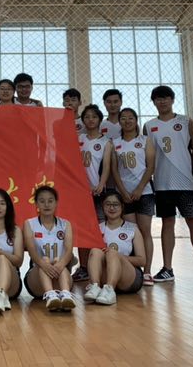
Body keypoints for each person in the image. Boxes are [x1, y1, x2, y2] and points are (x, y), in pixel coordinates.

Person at [144, 86, 193, 286]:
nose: (162, 101)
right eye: (158, 99)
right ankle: (167, 268)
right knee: (167, 223)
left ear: (172, 100)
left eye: (166, 98)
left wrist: (190, 171)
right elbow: (148, 155)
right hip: (162, 183)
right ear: (154, 102)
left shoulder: (185, 121)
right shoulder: (149, 126)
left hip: (184, 182)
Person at [111, 107, 155, 285]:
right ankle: (133, 270)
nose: (127, 121)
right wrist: (123, 192)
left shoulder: (145, 140)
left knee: (145, 232)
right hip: (125, 195)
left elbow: (150, 167)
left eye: (130, 118)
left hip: (145, 193)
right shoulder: (115, 143)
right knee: (130, 233)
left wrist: (139, 188)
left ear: (136, 120)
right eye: (123, 118)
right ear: (119, 121)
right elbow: (114, 170)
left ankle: (148, 271)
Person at [72, 104, 111, 282]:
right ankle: (83, 266)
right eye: (87, 117)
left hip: (98, 191)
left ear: (100, 120)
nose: (90, 120)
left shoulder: (105, 142)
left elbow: (107, 166)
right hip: (80, 191)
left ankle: (101, 264)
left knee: (100, 228)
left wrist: (101, 184)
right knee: (82, 230)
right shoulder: (78, 138)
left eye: (94, 117)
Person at [85, 191, 146, 306]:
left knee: (112, 253)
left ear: (122, 207)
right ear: (103, 207)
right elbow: (93, 259)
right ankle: (95, 286)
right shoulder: (98, 229)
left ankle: (110, 290)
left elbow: (142, 261)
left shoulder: (132, 229)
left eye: (115, 204)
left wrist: (118, 256)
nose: (111, 208)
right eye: (108, 204)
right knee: (95, 251)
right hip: (105, 274)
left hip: (129, 277)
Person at [23, 185, 76, 311]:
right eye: (42, 201)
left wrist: (60, 265)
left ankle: (66, 294)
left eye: (50, 201)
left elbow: (69, 251)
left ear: (56, 203)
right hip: (37, 278)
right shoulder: (29, 223)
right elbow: (31, 251)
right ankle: (50, 295)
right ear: (36, 204)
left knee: (58, 261)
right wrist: (44, 264)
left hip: (60, 274)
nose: (46, 204)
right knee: (45, 260)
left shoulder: (65, 224)